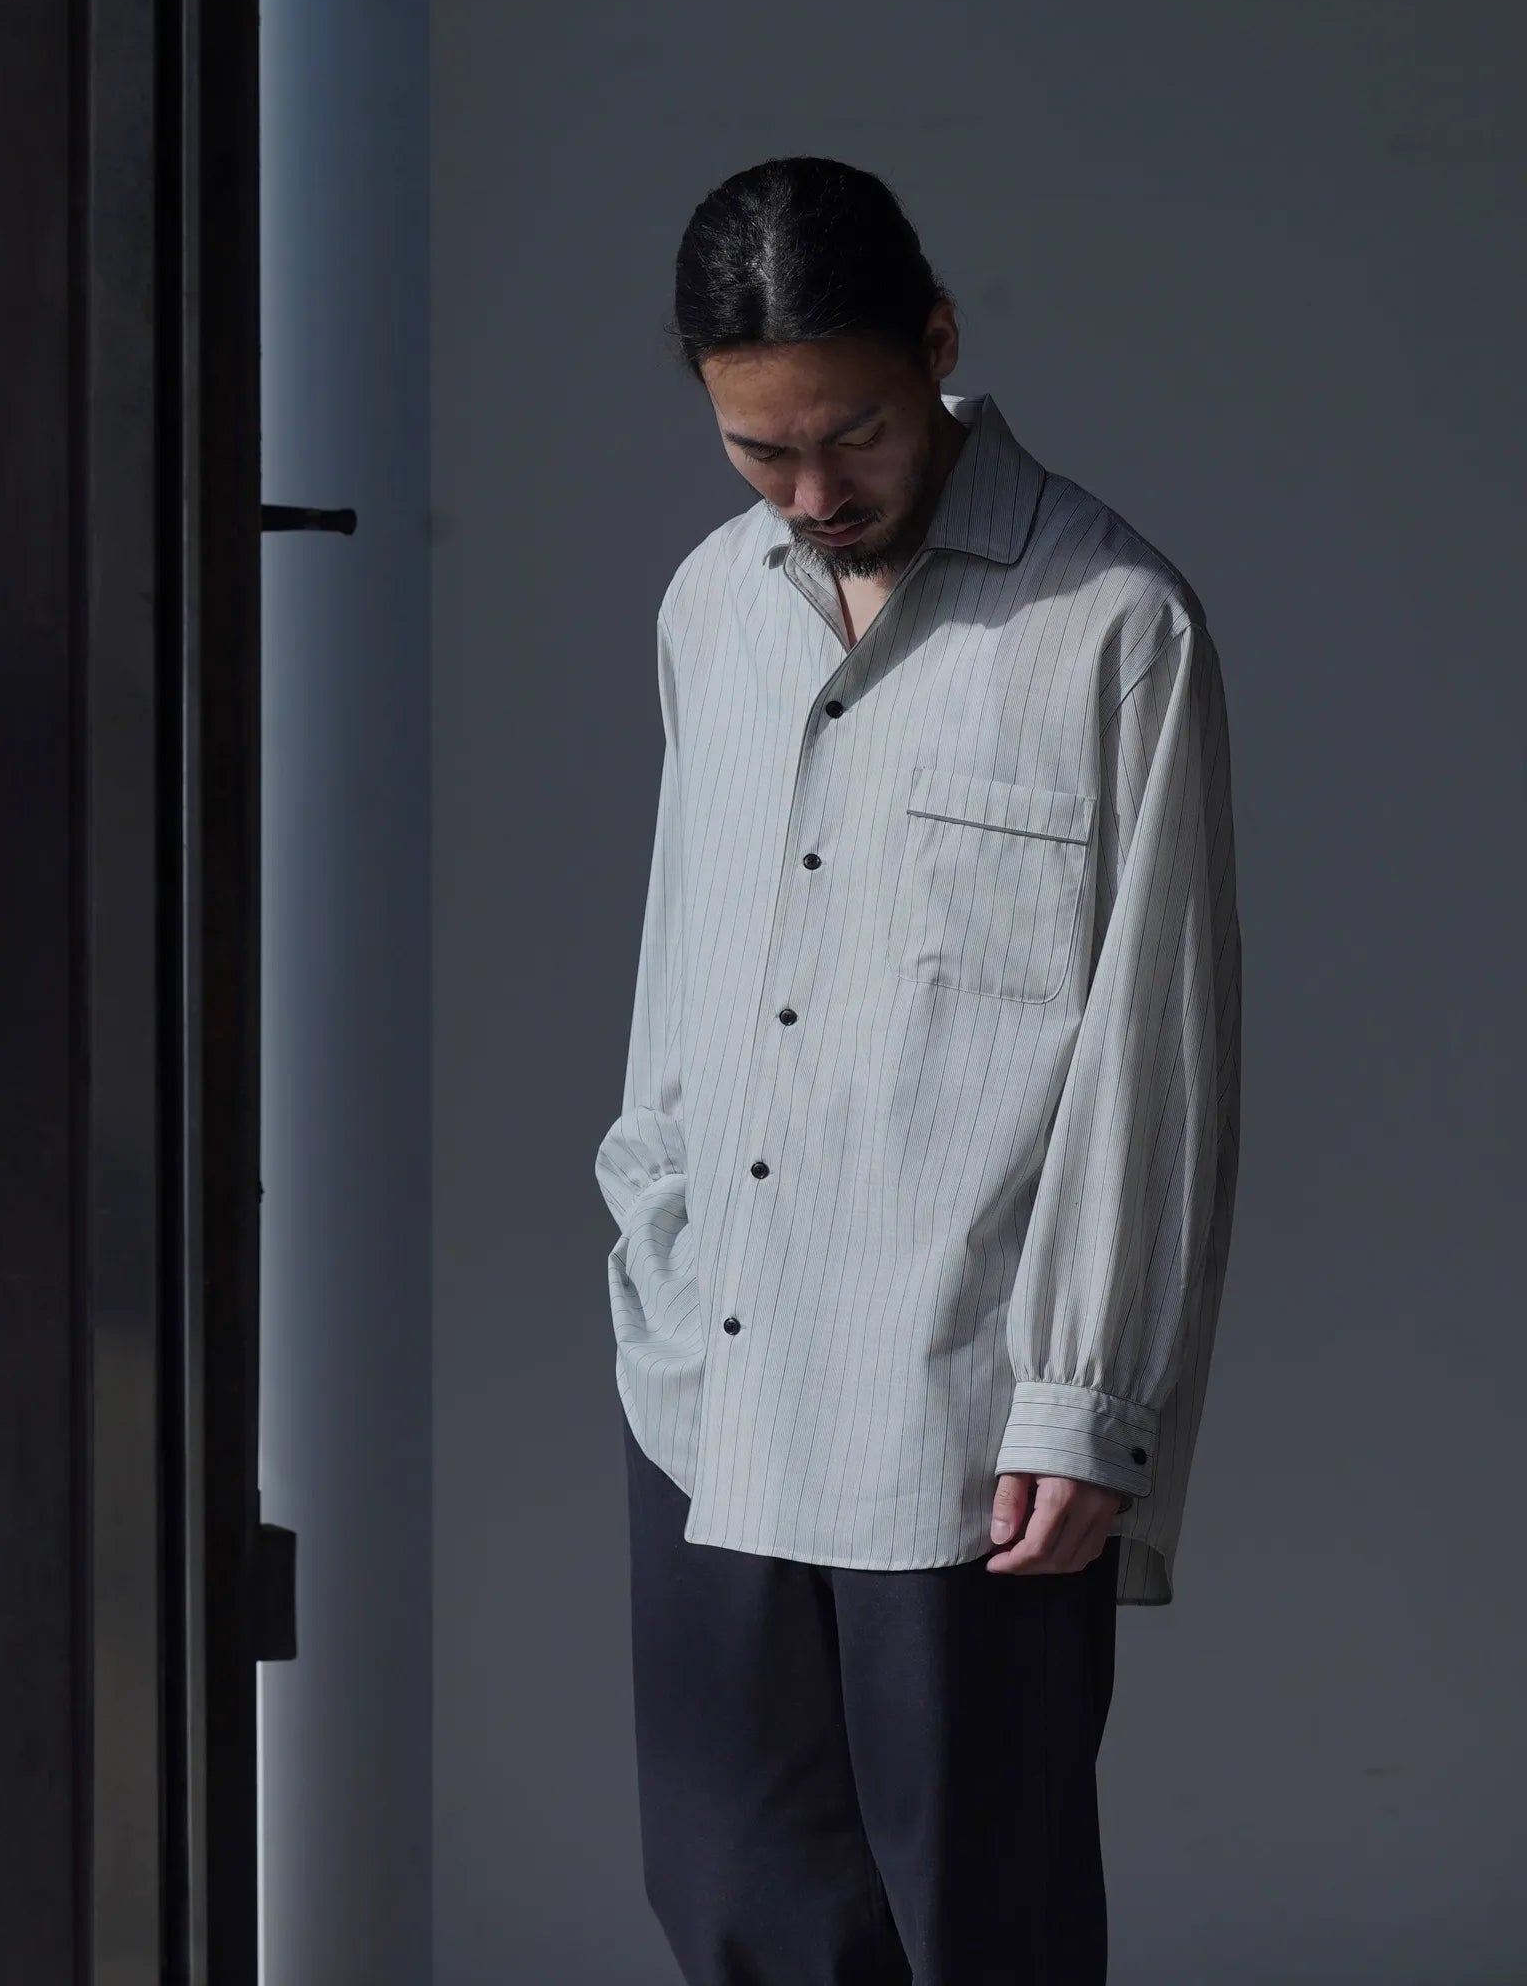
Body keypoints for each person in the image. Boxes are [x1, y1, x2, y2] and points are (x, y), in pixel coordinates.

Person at [593, 154, 1242, 1986]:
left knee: (981, 1925)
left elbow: (1158, 1045)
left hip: (962, 1419)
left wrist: (1086, 1399)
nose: (814, 496)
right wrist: (652, 1224)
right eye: (760, 451)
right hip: (711, 1382)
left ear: (939, 346)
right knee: (736, 1913)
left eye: (853, 436)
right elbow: (685, 961)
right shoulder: (711, 606)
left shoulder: (1109, 625)